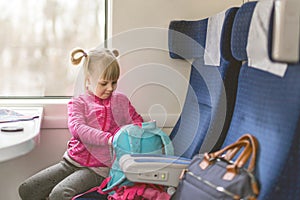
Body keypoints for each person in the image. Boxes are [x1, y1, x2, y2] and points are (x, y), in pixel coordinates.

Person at [18, 47, 144, 200]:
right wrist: (109, 138)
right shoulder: (78, 103)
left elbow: (138, 123)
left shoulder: (120, 101)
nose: (110, 88)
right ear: (88, 79)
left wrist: (127, 134)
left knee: (59, 195)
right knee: (27, 189)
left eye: (114, 82)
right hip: (71, 162)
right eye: (104, 83)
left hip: (98, 169)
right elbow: (78, 129)